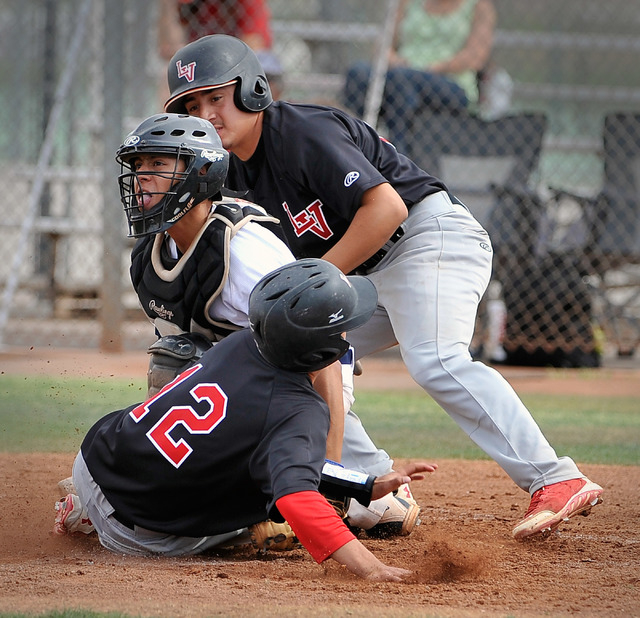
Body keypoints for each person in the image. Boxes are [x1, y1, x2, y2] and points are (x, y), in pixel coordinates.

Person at [163, 34, 604, 540]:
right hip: (366, 274)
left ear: (252, 90)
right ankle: (376, 488)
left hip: (425, 236)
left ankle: (555, 477)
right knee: (284, 358)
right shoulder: (227, 173)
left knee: (435, 358)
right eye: (192, 106)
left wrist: (314, 286)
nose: (207, 114)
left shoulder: (299, 130)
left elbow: (387, 209)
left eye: (216, 97)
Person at [108, 111, 420, 537]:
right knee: (175, 360)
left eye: (159, 166)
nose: (143, 178)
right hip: (247, 374)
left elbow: (324, 348)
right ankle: (179, 483)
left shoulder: (242, 250)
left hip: (306, 371)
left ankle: (306, 497)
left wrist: (323, 468)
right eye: (139, 167)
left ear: (199, 173)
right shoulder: (151, 258)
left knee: (362, 506)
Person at [52, 258, 438, 581]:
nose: (346, 333)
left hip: (97, 457)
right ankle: (93, 521)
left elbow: (279, 449)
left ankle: (85, 504)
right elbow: (298, 495)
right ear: (321, 349)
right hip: (135, 532)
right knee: (269, 512)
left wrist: (365, 485)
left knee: (249, 458)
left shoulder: (244, 343)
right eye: (340, 328)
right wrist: (372, 568)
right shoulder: (299, 410)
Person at [343, 0, 496, 155]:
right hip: (400, 72)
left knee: (402, 80)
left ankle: (398, 157)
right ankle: (351, 149)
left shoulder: (479, 5)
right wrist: (396, 60)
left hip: (450, 81)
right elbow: (383, 46)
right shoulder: (407, 2)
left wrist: (431, 68)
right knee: (359, 73)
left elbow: (476, 57)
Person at [158, 0, 284, 100]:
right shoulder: (189, 5)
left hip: (234, 63)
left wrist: (215, 61)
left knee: (263, 72)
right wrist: (168, 6)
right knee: (169, 72)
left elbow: (254, 45)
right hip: (201, 64)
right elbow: (169, 48)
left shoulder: (244, 3)